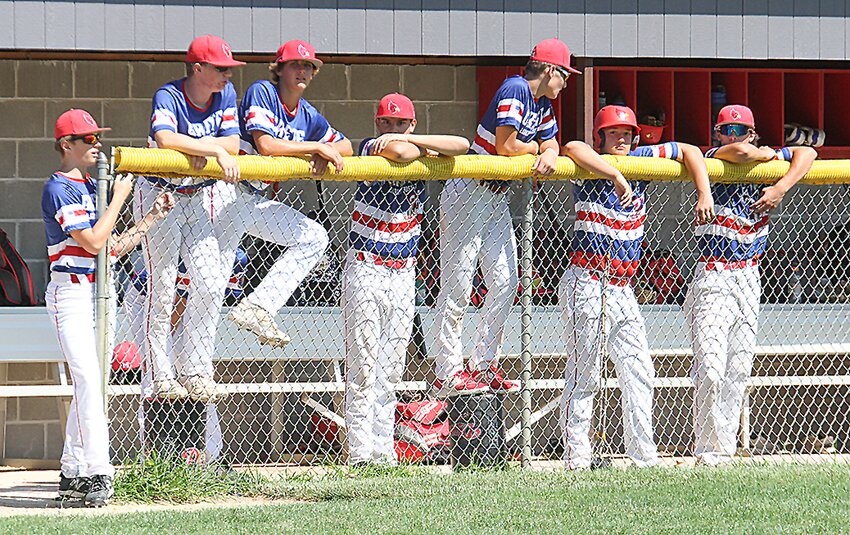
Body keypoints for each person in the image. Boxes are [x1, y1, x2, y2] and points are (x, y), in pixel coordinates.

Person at [558, 104, 714, 469]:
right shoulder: (592, 166)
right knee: (585, 375)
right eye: (614, 132)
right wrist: (614, 175)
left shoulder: (643, 159)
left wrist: (703, 192)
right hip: (587, 281)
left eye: (627, 132)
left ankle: (643, 458)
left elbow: (689, 151)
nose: (622, 138)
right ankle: (577, 457)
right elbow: (571, 147)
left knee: (640, 372)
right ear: (602, 136)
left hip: (623, 289)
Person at [432, 38, 578, 397]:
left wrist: (549, 150)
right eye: (565, 75)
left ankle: (482, 365)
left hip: (496, 196)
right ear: (549, 70)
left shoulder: (542, 103)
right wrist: (536, 152)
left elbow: (552, 142)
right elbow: (507, 145)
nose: (566, 82)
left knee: (507, 281)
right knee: (458, 288)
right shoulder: (516, 87)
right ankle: (445, 372)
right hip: (468, 191)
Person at [44, 109, 174, 506]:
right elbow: (94, 243)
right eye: (88, 139)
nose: (96, 144)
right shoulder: (59, 188)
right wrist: (120, 197)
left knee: (92, 381)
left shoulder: (89, 186)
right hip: (70, 295)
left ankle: (71, 471)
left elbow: (113, 248)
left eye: (96, 137)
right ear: (67, 145)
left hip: (101, 294)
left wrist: (151, 217)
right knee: (87, 379)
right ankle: (98, 472)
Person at [685, 104, 816, 466]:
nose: (732, 137)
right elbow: (740, 153)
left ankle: (722, 451)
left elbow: (808, 152)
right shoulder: (717, 156)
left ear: (753, 131)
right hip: (712, 274)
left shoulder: (768, 166)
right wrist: (763, 153)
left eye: (740, 131)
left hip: (749, 274)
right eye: (726, 130)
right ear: (717, 134)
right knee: (710, 367)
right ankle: (707, 449)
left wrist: (780, 186)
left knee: (738, 367)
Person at [343, 93, 470, 467]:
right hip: (366, 268)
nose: (392, 129)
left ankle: (383, 453)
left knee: (391, 368)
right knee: (363, 367)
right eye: (386, 122)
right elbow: (397, 154)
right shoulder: (372, 147)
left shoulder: (413, 143)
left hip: (403, 271)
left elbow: (461, 146)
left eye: (401, 123)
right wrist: (410, 145)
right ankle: (360, 454)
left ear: (412, 125)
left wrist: (415, 141)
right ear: (376, 124)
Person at [136, 34, 243, 402]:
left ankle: (194, 368)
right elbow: (165, 139)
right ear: (198, 68)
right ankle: (161, 374)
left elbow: (233, 145)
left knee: (212, 280)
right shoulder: (169, 94)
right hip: (160, 195)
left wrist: (197, 148)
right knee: (163, 287)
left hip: (196, 195)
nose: (227, 75)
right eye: (220, 68)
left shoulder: (225, 96)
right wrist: (207, 146)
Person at [229, 39, 349, 345]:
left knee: (313, 237)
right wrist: (315, 147)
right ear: (279, 69)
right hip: (223, 194)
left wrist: (324, 150)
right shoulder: (263, 92)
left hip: (252, 202)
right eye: (296, 64)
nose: (303, 70)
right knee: (204, 287)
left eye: (308, 66)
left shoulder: (307, 113)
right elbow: (266, 145)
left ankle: (258, 306)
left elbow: (346, 145)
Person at [122, 247, 248, 462]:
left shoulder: (236, 257)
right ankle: (155, 457)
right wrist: (154, 353)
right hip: (145, 303)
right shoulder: (192, 253)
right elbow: (169, 317)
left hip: (185, 305)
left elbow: (214, 304)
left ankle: (211, 457)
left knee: (200, 377)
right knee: (158, 374)